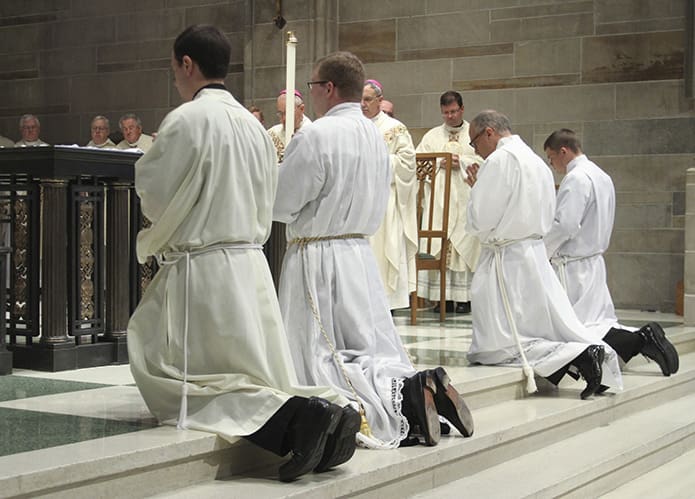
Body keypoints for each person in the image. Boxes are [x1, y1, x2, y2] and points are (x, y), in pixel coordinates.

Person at [127, 24, 361, 483]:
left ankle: (297, 420)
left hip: (204, 268)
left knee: (173, 371)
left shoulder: (186, 120)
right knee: (244, 372)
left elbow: (154, 195)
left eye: (175, 67)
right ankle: (325, 416)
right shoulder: (254, 127)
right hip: (250, 265)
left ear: (187, 64)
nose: (175, 76)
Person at [274, 51, 473, 450]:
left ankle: (401, 400)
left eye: (312, 87)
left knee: (323, 355)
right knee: (365, 345)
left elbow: (282, 203)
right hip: (358, 255)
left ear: (328, 88)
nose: (311, 95)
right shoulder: (374, 134)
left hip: (317, 256)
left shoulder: (314, 136)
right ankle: (413, 386)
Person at [464, 110, 623, 400]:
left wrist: (476, 192)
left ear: (489, 132)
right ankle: (578, 356)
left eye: (474, 142)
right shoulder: (536, 162)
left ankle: (578, 355)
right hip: (533, 252)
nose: (475, 150)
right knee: (529, 327)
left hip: (506, 257)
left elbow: (482, 218)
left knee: (499, 342)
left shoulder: (499, 160)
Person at [543, 128, 679, 376]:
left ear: (563, 151)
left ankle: (641, 339)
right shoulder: (601, 175)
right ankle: (640, 340)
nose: (552, 165)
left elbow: (566, 224)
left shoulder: (576, 178)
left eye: (551, 158)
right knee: (599, 322)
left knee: (578, 327)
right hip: (593, 262)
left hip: (573, 265)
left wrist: (543, 251)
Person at [416, 91, 481, 314]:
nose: (450, 117)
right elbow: (418, 165)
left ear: (462, 109)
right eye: (445, 113)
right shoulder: (432, 137)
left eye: (454, 112)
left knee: (465, 245)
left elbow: (485, 161)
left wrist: (461, 161)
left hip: (464, 200)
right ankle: (441, 298)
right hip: (439, 201)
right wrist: (438, 163)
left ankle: (464, 299)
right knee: (440, 245)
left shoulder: (475, 132)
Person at [361, 79, 417, 310]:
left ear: (379, 101)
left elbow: (407, 163)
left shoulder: (395, 128)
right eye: (360, 99)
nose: (362, 104)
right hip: (360, 200)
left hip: (385, 199)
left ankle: (386, 303)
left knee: (384, 251)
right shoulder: (355, 126)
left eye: (367, 99)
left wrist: (379, 161)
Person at [267, 89, 311, 162]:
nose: (284, 119)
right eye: (280, 114)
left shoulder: (310, 134)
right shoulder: (273, 133)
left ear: (302, 109)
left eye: (287, 113)